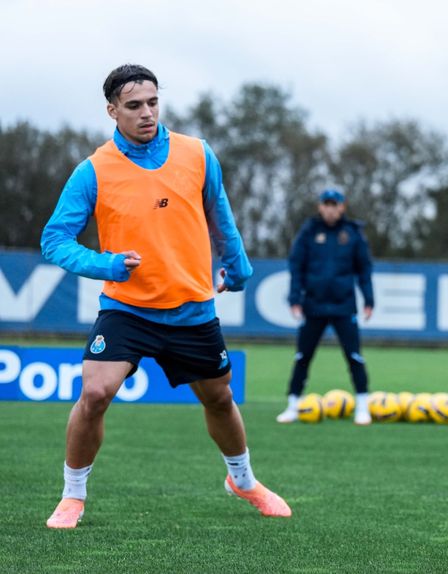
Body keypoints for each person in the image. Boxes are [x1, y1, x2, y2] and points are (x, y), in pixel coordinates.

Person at [40, 64, 291, 529]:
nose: (147, 113)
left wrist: (237, 269)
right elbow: (54, 241)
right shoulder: (93, 170)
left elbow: (221, 216)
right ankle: (72, 495)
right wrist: (108, 265)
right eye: (134, 106)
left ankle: (243, 479)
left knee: (218, 398)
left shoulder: (197, 153)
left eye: (153, 102)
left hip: (193, 308)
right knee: (94, 392)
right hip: (127, 309)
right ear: (112, 110)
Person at [277, 188, 375, 425]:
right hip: (313, 304)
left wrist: (369, 300)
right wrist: (295, 300)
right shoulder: (309, 232)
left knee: (354, 357)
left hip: (344, 306)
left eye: (335, 204)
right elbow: (296, 266)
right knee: (303, 356)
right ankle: (293, 404)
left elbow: (364, 269)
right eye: (326, 204)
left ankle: (362, 405)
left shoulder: (352, 233)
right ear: (320, 207)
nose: (330, 209)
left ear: (342, 207)